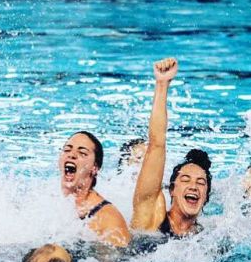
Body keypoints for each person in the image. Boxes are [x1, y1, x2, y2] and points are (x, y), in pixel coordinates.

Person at [130, 58, 212, 238]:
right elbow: (157, 144)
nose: (193, 187)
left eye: (201, 182)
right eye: (185, 180)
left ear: (206, 197)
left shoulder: (208, 239)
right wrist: (162, 84)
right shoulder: (152, 218)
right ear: (172, 190)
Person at [59, 131, 131, 247]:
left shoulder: (108, 220)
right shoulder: (47, 199)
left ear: (94, 168)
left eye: (82, 153)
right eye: (67, 150)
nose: (71, 155)